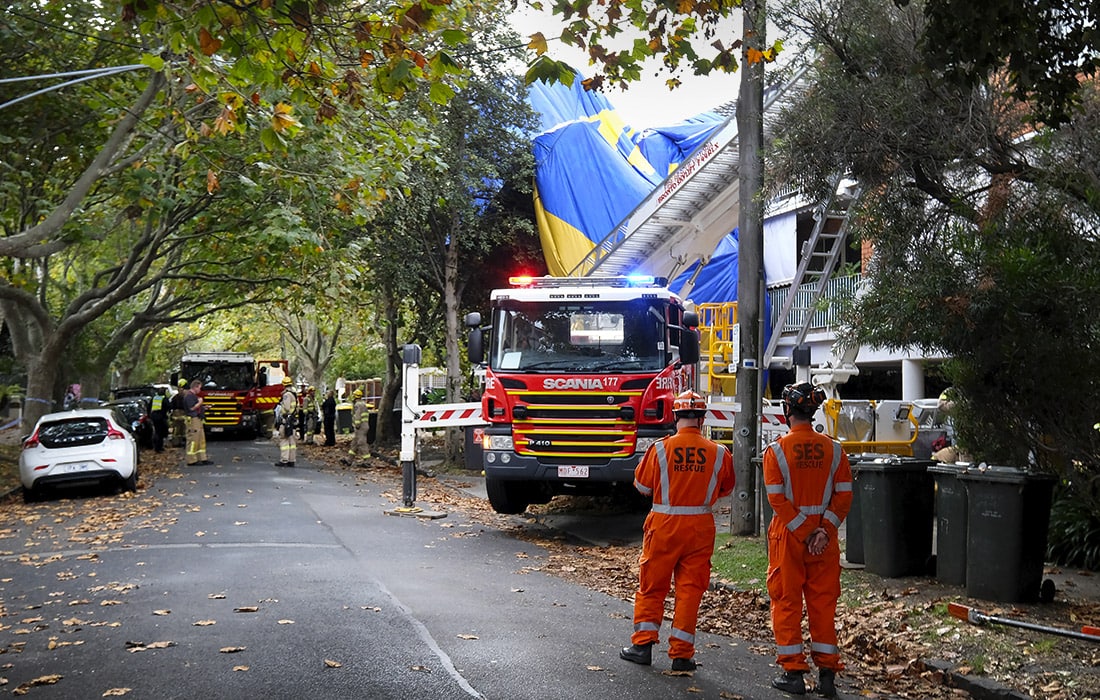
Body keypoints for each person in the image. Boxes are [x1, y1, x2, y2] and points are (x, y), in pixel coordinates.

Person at [620, 389, 734, 673]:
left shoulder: (659, 448)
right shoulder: (719, 453)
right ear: (702, 418)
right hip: (700, 529)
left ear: (676, 416)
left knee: (652, 586)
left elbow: (642, 487)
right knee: (690, 591)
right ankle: (682, 655)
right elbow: (726, 488)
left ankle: (642, 646)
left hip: (664, 526)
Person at [763, 382, 853, 698]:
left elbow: (777, 500)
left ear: (787, 411)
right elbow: (843, 497)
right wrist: (823, 531)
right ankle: (827, 674)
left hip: (788, 537)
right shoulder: (835, 450)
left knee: (787, 602)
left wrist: (804, 531)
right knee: (823, 604)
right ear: (813, 411)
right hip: (824, 543)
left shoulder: (775, 451)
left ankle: (794, 673)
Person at [183, 379, 211, 466]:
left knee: (200, 439)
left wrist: (204, 407)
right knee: (193, 440)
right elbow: (191, 408)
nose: (200, 390)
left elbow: (196, 407)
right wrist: (200, 403)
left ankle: (202, 458)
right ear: (195, 387)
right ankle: (191, 460)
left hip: (198, 419)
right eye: (199, 388)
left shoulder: (193, 396)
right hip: (193, 420)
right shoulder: (189, 396)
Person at [274, 376, 298, 467]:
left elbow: (287, 408)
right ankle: (291, 460)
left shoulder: (287, 395)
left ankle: (284, 460)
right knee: (292, 441)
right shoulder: (294, 394)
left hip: (286, 420)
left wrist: (281, 411)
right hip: (292, 420)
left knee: (284, 439)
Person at [348, 389, 372, 461]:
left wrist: (357, 425)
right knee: (354, 443)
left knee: (361, 443)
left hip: (361, 427)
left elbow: (357, 415)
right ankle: (349, 459)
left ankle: (367, 461)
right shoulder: (363, 404)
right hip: (364, 426)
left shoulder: (357, 405)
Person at [150, 386, 169, 453]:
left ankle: (157, 447)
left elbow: (149, 407)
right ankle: (158, 447)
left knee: (156, 431)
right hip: (161, 417)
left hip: (154, 416)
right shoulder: (164, 398)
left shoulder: (154, 398)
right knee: (160, 433)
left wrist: (149, 416)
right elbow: (168, 406)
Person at [169, 378, 188, 448]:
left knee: (183, 431)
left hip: (182, 417)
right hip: (178, 417)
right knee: (177, 431)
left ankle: (182, 442)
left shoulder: (184, 398)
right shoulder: (176, 398)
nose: (181, 390)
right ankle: (177, 443)